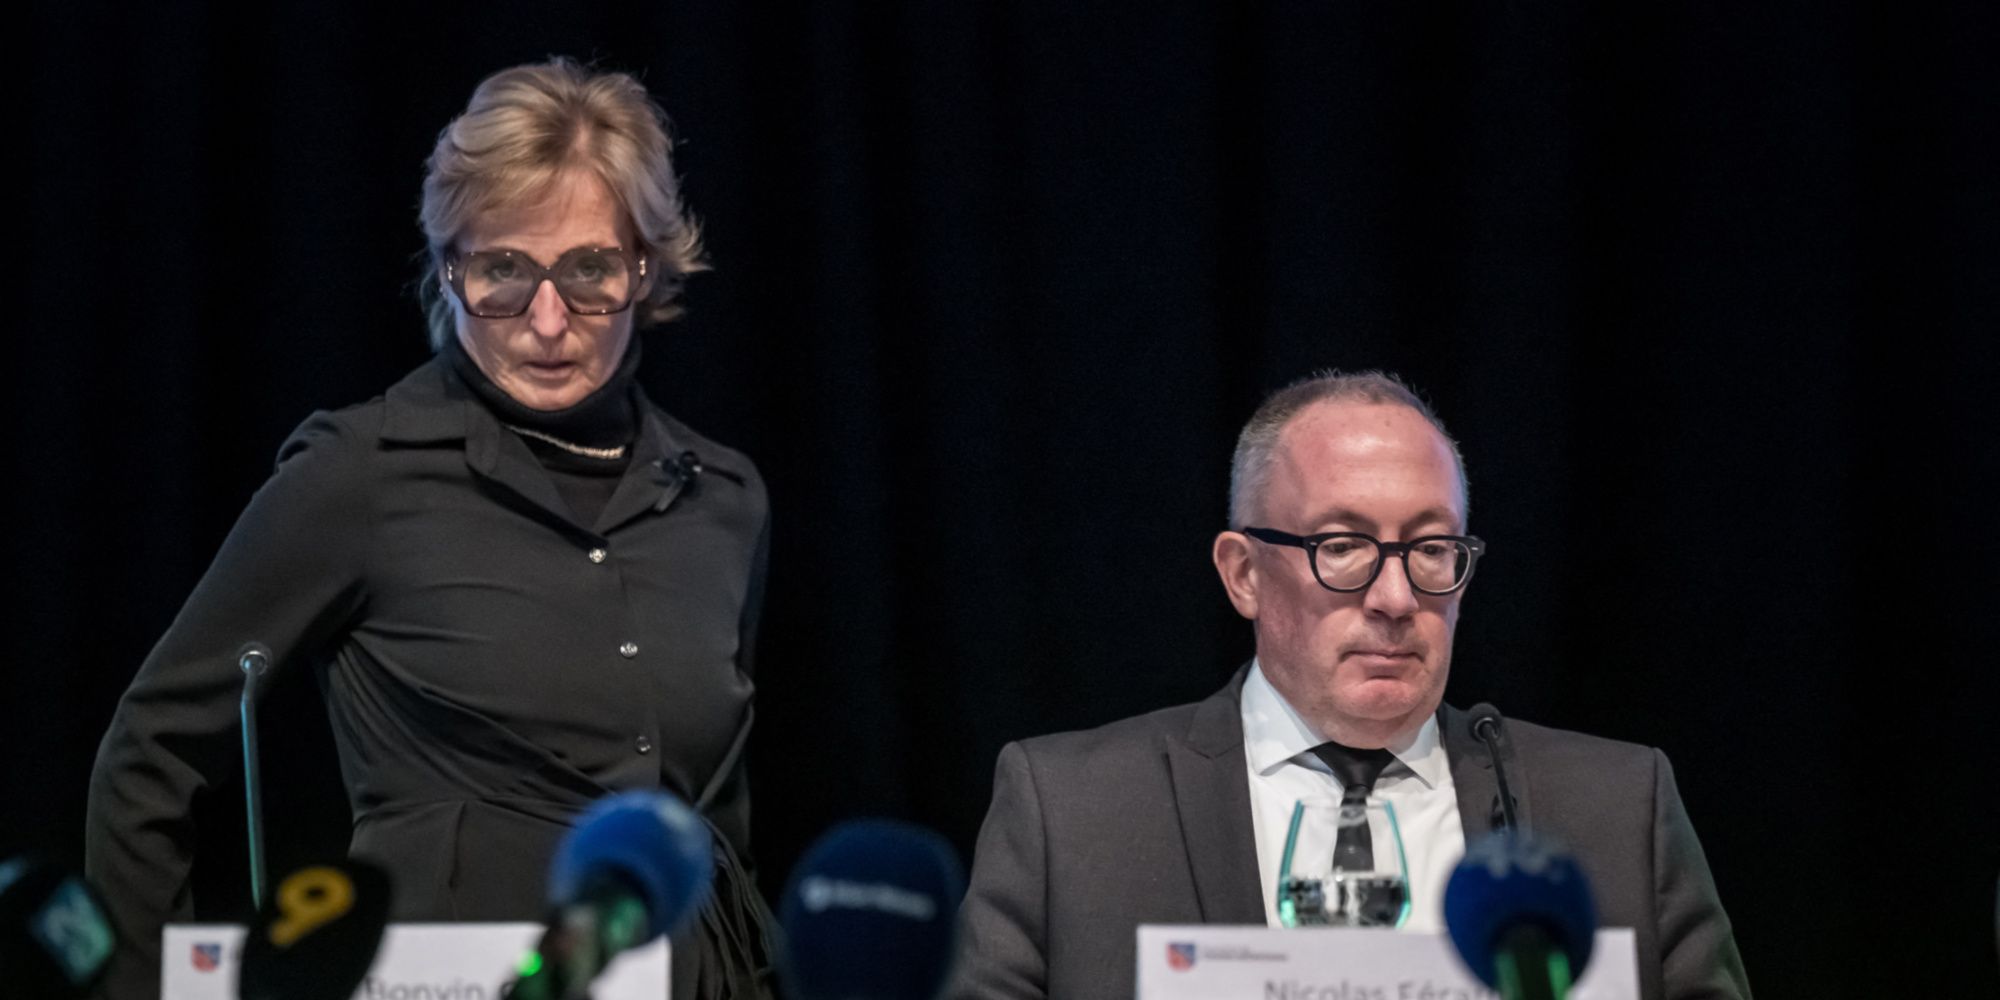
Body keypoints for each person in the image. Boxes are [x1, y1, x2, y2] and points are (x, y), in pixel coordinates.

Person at [85, 59, 773, 999]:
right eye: (503, 272)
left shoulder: (723, 497)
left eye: (588, 271)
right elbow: (151, 753)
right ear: (450, 270)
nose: (546, 320)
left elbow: (717, 828)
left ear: (645, 265)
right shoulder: (360, 474)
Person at [951, 372, 1750, 1000]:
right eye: (1342, 546)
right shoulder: (1072, 812)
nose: (1396, 598)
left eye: (1430, 549)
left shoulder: (1618, 807)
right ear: (1243, 573)